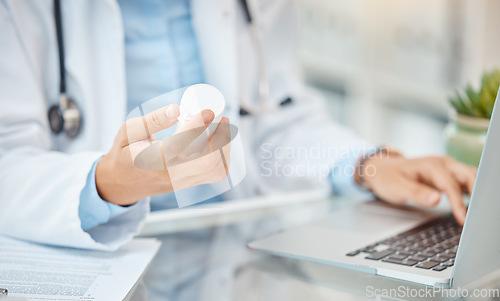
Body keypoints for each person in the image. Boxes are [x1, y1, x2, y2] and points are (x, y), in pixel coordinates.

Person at [0, 0, 475, 252]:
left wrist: (370, 165)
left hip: (231, 257)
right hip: (95, 257)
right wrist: (106, 184)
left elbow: (271, 124)